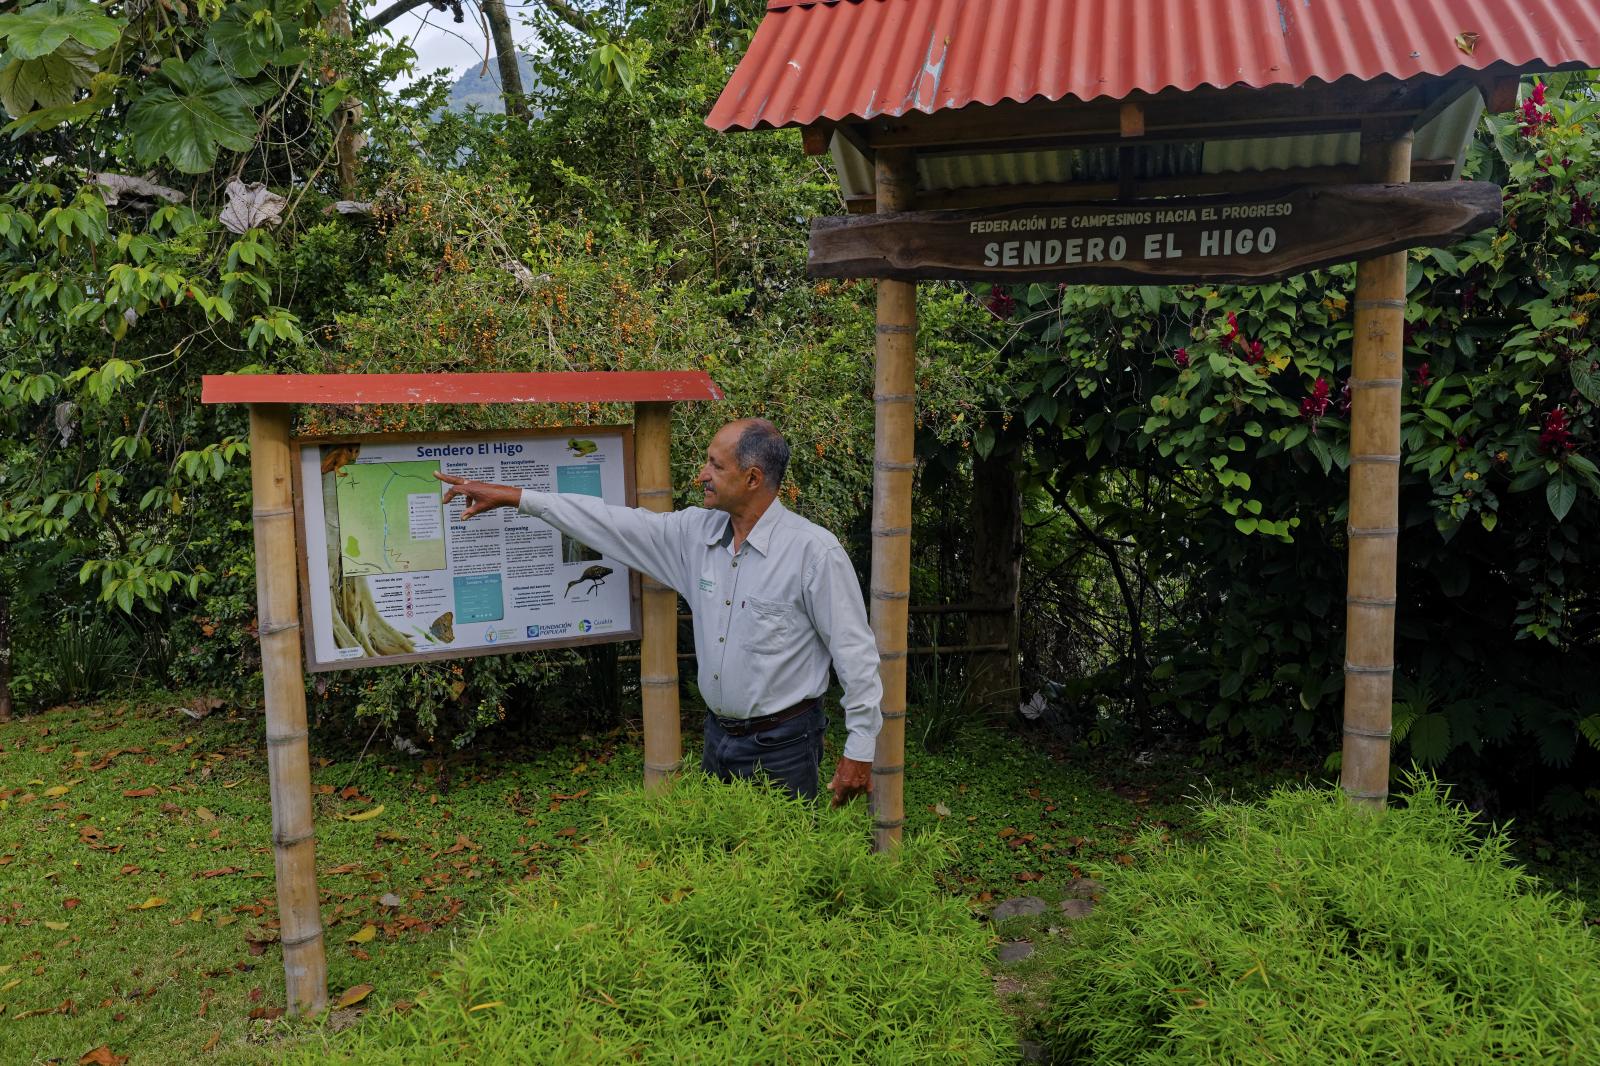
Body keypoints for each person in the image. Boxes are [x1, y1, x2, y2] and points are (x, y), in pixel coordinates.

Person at [434, 418, 880, 806]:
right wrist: (518, 498)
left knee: (780, 875)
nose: (702, 474)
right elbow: (610, 522)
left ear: (752, 478)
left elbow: (855, 655)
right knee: (719, 868)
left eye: (715, 466)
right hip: (718, 738)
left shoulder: (813, 553)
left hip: (786, 744)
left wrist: (860, 748)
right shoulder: (695, 535)